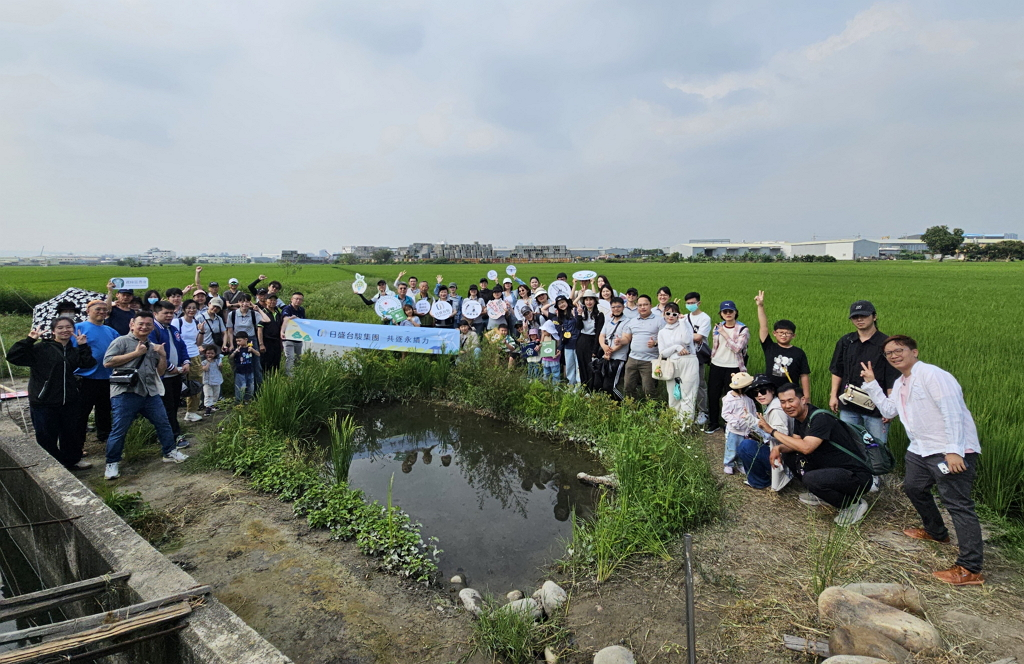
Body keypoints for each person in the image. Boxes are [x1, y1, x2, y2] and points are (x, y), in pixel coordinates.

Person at [860, 336, 984, 585]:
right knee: (913, 487)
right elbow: (888, 411)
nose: (894, 355)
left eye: (899, 350)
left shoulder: (932, 375)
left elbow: (953, 411)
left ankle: (970, 568)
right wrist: (872, 384)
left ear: (914, 351)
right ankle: (937, 532)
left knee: (958, 504)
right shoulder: (901, 381)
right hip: (920, 448)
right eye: (888, 353)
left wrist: (954, 450)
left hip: (949, 449)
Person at [769, 383, 872, 526]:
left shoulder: (820, 418)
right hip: (833, 469)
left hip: (856, 476)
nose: (787, 406)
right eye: (783, 402)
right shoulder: (800, 417)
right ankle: (824, 494)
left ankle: (853, 504)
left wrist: (772, 431)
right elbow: (796, 442)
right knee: (790, 456)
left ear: (803, 399)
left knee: (811, 479)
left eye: (791, 400)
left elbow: (806, 448)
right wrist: (779, 448)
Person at [102, 311, 188, 479]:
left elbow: (160, 371)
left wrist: (162, 355)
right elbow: (108, 362)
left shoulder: (152, 344)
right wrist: (136, 354)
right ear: (132, 324)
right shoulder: (121, 341)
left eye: (148, 324)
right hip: (126, 393)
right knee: (119, 429)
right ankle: (112, 463)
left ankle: (169, 452)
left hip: (150, 391)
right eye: (140, 324)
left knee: (163, 423)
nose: (144, 327)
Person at [7, 317, 95, 470]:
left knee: (70, 434)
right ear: (53, 331)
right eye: (60, 327)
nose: (65, 330)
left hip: (69, 400)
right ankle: (51, 465)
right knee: (46, 436)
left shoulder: (73, 351)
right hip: (44, 401)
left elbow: (88, 363)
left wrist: (83, 346)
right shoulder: (42, 348)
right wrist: (29, 340)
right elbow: (13, 356)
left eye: (68, 327)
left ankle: (72, 461)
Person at [829, 300, 898, 458]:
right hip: (848, 404)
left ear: (874, 317)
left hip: (876, 407)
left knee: (877, 446)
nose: (859, 320)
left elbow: (892, 378)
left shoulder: (886, 344)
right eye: (855, 317)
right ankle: (857, 477)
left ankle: (877, 479)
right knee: (850, 443)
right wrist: (833, 395)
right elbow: (837, 370)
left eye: (864, 316)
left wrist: (890, 408)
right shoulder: (846, 342)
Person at [75, 300, 120, 448]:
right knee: (81, 413)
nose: (102, 312)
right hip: (86, 378)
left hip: (107, 377)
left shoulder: (110, 330)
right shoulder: (79, 328)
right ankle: (77, 444)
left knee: (105, 409)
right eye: (98, 309)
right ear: (88, 311)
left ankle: (105, 436)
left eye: (104, 310)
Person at [755, 290, 811, 399]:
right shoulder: (770, 347)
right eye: (781, 332)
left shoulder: (798, 353)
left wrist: (806, 397)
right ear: (774, 333)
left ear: (793, 335)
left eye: (787, 333)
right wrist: (760, 306)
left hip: (791, 394)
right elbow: (763, 326)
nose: (784, 335)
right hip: (770, 393)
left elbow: (804, 375)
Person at [150, 301, 191, 448]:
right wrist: (170, 366)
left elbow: (182, 347)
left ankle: (169, 433)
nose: (169, 315)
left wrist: (186, 362)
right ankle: (173, 435)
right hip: (163, 376)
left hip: (176, 375)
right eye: (165, 313)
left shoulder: (173, 329)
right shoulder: (153, 330)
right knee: (166, 407)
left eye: (171, 313)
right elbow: (154, 352)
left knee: (174, 406)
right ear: (155, 314)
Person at [706, 300, 749, 434]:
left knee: (731, 396)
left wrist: (724, 334)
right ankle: (713, 422)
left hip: (734, 367)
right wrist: (712, 358)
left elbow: (737, 348)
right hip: (717, 365)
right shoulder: (717, 327)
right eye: (725, 311)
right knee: (713, 395)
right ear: (721, 314)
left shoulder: (743, 329)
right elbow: (715, 346)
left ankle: (730, 424)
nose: (728, 314)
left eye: (731, 311)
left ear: (735, 312)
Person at [744, 375, 794, 491]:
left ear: (771, 390)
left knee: (746, 447)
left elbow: (781, 434)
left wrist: (756, 424)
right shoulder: (773, 405)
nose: (759, 395)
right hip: (781, 452)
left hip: (783, 454)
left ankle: (759, 481)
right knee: (749, 443)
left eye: (762, 391)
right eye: (755, 393)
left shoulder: (776, 410)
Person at [656, 302, 699, 424]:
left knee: (688, 395)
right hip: (671, 364)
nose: (671, 316)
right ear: (664, 314)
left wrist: (682, 322)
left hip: (689, 361)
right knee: (673, 395)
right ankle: (674, 424)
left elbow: (686, 340)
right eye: (668, 313)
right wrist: (676, 347)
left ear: (678, 314)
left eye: (674, 314)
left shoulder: (684, 324)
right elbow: (662, 353)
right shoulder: (662, 332)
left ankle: (685, 425)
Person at [620, 295, 665, 400]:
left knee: (648, 389)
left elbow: (666, 338)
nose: (643, 307)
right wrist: (620, 341)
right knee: (628, 386)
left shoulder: (659, 321)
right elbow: (627, 338)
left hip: (650, 360)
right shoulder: (633, 321)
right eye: (640, 305)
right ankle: (631, 409)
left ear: (651, 305)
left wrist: (655, 342)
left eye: (645, 304)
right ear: (637, 307)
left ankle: (652, 413)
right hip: (632, 358)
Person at [172, 299, 204, 422]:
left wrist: (201, 331)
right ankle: (174, 411)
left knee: (195, 384)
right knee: (179, 384)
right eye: (189, 308)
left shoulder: (196, 322)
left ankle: (191, 411)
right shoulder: (177, 322)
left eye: (194, 308)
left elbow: (198, 342)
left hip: (195, 355)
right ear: (184, 309)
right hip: (181, 357)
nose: (192, 310)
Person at [684, 292, 713, 426]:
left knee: (700, 384)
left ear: (698, 303)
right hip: (685, 355)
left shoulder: (704, 318)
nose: (690, 306)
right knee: (684, 383)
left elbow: (698, 337)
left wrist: (683, 336)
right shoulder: (684, 317)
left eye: (692, 303)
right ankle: (687, 410)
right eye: (688, 303)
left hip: (698, 356)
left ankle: (703, 411)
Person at [721, 372, 757, 474]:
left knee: (743, 448)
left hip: (746, 429)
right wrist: (735, 422)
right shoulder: (729, 399)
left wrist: (753, 421)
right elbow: (725, 413)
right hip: (735, 429)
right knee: (732, 447)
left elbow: (752, 410)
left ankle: (741, 464)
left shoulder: (748, 398)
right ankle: (729, 463)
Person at [597, 297, 629, 399]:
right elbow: (602, 335)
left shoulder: (627, 322)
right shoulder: (609, 320)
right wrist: (604, 346)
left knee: (612, 386)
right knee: (603, 384)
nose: (616, 309)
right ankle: (613, 406)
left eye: (618, 306)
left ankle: (625, 404)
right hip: (607, 356)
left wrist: (610, 351)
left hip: (618, 358)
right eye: (613, 307)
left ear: (623, 307)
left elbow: (625, 339)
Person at [576, 290, 604, 388]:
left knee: (591, 366)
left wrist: (595, 350)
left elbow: (598, 333)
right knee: (582, 365)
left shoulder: (599, 314)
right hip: (582, 341)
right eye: (586, 300)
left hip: (593, 341)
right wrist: (579, 315)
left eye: (591, 299)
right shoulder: (582, 312)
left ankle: (592, 388)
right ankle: (584, 387)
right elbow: (578, 327)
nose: (589, 302)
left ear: (595, 301)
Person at [553, 295, 579, 385]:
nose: (562, 305)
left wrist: (576, 316)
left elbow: (579, 326)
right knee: (569, 366)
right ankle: (571, 384)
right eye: (559, 304)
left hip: (577, 343)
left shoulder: (574, 311)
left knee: (578, 366)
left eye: (563, 302)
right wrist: (560, 348)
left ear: (567, 302)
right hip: (567, 344)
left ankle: (579, 385)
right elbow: (561, 334)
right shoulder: (559, 318)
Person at [256, 289, 283, 373]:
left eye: (275, 300)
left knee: (276, 363)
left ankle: (275, 382)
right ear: (266, 301)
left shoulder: (278, 313)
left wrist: (281, 343)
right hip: (266, 342)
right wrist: (261, 344)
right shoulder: (263, 313)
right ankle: (265, 383)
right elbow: (260, 329)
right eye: (270, 300)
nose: (273, 302)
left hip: (276, 342)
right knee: (266, 364)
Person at [230, 331, 259, 402]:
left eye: (239, 341)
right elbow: (230, 357)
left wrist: (252, 350)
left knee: (250, 386)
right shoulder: (237, 349)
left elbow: (258, 354)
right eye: (237, 341)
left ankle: (248, 399)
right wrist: (235, 351)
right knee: (241, 387)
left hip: (250, 370)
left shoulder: (250, 347)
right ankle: (239, 401)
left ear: (246, 339)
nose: (238, 343)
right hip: (240, 371)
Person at [281, 292, 306, 376]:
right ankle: (289, 377)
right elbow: (285, 319)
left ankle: (298, 375)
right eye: (296, 299)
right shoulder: (287, 309)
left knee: (298, 358)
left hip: (298, 338)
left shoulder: (301, 310)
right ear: (292, 299)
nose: (298, 301)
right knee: (290, 357)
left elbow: (304, 322)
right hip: (288, 338)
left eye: (300, 299)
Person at [200, 344, 223, 415]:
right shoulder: (204, 362)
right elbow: (205, 369)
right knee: (208, 395)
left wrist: (221, 365)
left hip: (217, 380)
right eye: (208, 353)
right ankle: (208, 408)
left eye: (212, 353)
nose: (210, 355)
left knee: (216, 394)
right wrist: (208, 362)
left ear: (215, 354)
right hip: (207, 382)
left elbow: (220, 369)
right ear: (205, 354)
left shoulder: (217, 361)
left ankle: (213, 405)